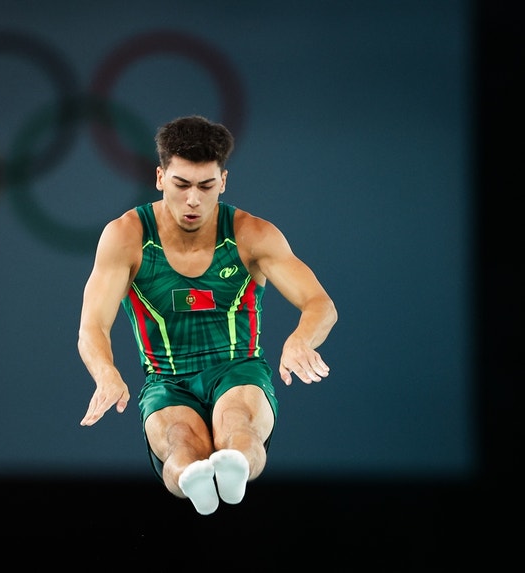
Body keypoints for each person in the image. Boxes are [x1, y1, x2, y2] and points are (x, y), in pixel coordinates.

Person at [77, 115, 338, 515]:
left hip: (238, 369)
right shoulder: (126, 236)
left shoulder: (252, 235)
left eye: (206, 186)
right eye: (181, 185)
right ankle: (191, 476)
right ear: (160, 177)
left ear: (224, 181)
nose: (193, 200)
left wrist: (301, 339)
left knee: (236, 422)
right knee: (180, 439)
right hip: (166, 380)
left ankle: (235, 466)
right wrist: (105, 373)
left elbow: (320, 304)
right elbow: (93, 325)